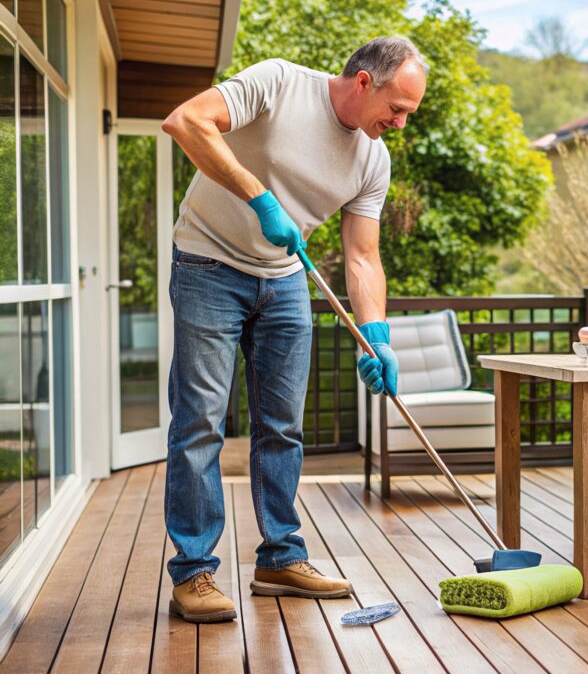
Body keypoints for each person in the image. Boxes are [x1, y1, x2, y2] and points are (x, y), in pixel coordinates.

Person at [160, 37, 428, 622]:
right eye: (398, 108)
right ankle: (195, 573)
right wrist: (260, 199)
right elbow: (186, 122)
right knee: (201, 419)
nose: (401, 124)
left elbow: (362, 258)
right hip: (208, 262)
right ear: (364, 81)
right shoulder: (280, 83)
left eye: (409, 113)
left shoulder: (372, 160)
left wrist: (376, 335)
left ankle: (280, 557)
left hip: (284, 281)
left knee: (283, 424)